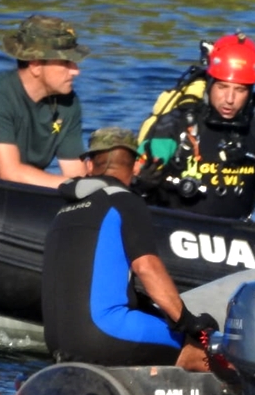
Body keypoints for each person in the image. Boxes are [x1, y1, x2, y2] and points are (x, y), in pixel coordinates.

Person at [41, 127, 218, 368]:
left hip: (58, 342)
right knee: (201, 349)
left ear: (89, 165)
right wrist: (187, 321)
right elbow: (146, 267)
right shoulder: (124, 201)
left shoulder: (62, 212)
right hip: (105, 333)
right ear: (135, 166)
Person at [133, 33, 255, 220]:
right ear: (209, 84)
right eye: (222, 87)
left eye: (240, 90)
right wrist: (141, 183)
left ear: (250, 92)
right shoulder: (174, 125)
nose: (229, 99)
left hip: (236, 233)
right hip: (171, 226)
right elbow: (130, 182)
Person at [0, 14, 90, 188]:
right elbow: (10, 173)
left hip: (24, 190)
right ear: (36, 65)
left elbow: (75, 173)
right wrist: (75, 187)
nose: (76, 71)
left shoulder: (69, 102)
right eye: (66, 63)